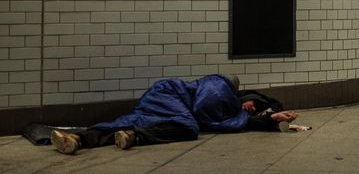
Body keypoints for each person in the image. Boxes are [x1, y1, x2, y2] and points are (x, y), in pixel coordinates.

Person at [48, 74, 299, 155]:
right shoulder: (218, 85)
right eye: (249, 104)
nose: (249, 109)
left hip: (164, 97)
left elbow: (231, 120)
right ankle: (137, 137)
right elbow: (205, 109)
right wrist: (243, 114)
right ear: (239, 94)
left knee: (133, 119)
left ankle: (78, 139)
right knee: (188, 128)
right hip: (171, 95)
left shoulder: (232, 108)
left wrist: (269, 120)